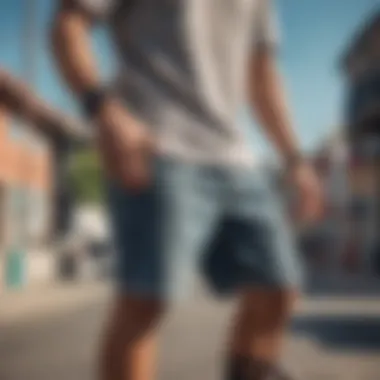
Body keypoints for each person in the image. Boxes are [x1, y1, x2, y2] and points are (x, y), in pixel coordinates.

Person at [51, 1, 322, 379]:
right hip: (157, 144)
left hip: (236, 156)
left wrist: (295, 159)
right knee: (147, 299)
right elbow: (69, 23)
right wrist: (105, 111)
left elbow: (261, 74)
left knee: (279, 286)